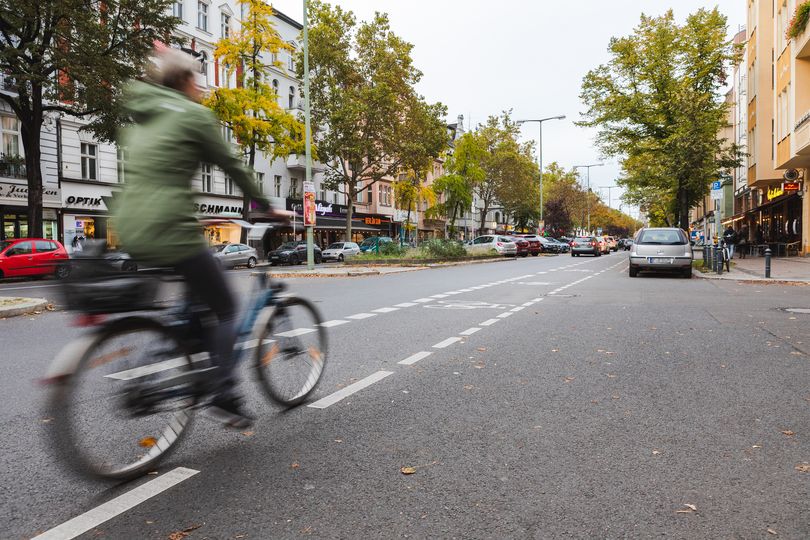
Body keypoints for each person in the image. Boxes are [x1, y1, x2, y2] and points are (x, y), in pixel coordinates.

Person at [113, 48, 282, 428]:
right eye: (199, 81)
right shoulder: (193, 115)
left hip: (129, 223)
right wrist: (268, 205)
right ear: (187, 82)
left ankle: (182, 343)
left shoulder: (142, 118)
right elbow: (233, 164)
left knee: (194, 302)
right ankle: (223, 393)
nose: (202, 89)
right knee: (225, 308)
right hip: (169, 225)